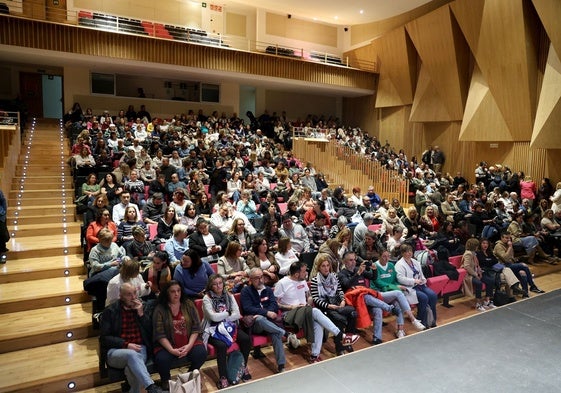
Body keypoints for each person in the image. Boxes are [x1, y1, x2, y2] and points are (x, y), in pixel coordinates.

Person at [273, 261, 359, 363]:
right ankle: (342, 336)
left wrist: (309, 301)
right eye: (304, 272)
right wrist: (292, 307)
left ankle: (314, 355)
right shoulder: (282, 283)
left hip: (305, 311)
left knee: (317, 322)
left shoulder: (302, 281)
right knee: (315, 311)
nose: (306, 274)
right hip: (289, 314)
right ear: (296, 274)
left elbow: (308, 296)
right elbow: (275, 304)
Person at [339, 250, 425, 343]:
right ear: (344, 261)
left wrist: (374, 269)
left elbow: (373, 277)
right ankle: (390, 309)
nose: (353, 262)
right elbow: (347, 284)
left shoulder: (358, 269)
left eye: (354, 260)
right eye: (350, 260)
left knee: (377, 309)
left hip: (369, 299)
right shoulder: (341, 274)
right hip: (354, 302)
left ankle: (377, 337)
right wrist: (358, 274)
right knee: (364, 295)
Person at [99, 283, 162, 393]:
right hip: (116, 351)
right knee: (132, 354)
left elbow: (151, 331)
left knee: (131, 370)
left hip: (139, 348)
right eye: (129, 294)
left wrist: (141, 314)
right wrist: (126, 345)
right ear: (121, 296)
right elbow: (104, 338)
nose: (133, 297)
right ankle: (151, 387)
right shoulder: (110, 311)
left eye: (134, 293)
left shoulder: (144, 307)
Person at [240, 267, 299, 373]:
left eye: (261, 277)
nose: (260, 280)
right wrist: (266, 313)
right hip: (255, 325)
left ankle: (281, 366)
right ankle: (286, 334)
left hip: (270, 323)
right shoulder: (246, 291)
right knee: (260, 319)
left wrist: (268, 313)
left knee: (275, 334)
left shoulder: (267, 290)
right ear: (251, 279)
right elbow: (248, 308)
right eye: (257, 278)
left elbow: (274, 305)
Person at [152, 280, 207, 390]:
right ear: (167, 293)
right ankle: (166, 381)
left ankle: (190, 375)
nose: (176, 294)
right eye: (173, 291)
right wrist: (172, 350)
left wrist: (189, 345)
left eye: (178, 291)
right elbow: (160, 334)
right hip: (168, 345)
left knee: (201, 353)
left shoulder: (188, 305)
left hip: (188, 342)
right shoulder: (160, 309)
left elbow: (196, 328)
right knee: (162, 359)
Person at [201, 274, 252, 389]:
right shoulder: (207, 298)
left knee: (245, 339)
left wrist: (223, 317)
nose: (218, 286)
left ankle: (242, 367)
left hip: (229, 327)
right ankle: (223, 377)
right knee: (222, 346)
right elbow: (213, 317)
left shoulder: (229, 295)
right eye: (215, 284)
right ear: (210, 286)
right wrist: (228, 314)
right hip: (213, 330)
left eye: (220, 283)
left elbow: (237, 314)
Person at [309, 255, 358, 355]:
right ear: (319, 267)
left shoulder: (334, 277)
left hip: (336, 304)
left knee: (353, 314)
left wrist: (343, 300)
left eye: (328, 265)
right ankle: (339, 347)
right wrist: (329, 306)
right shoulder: (315, 281)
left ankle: (347, 340)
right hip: (324, 307)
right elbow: (316, 300)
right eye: (323, 266)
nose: (326, 268)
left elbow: (339, 290)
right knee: (338, 320)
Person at [395, 244, 438, 328]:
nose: (409, 253)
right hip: (409, 288)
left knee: (433, 295)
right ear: (402, 253)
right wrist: (414, 281)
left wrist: (423, 280)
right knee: (424, 297)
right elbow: (400, 279)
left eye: (410, 251)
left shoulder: (415, 262)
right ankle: (422, 320)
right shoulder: (399, 264)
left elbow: (421, 274)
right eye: (407, 252)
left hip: (420, 285)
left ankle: (432, 320)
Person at [493, 232, 545, 297]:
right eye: (506, 238)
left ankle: (525, 293)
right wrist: (510, 247)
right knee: (524, 266)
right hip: (503, 266)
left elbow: (511, 257)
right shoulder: (498, 246)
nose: (508, 240)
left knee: (522, 273)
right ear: (501, 238)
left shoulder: (507, 244)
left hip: (510, 264)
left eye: (509, 238)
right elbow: (505, 258)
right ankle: (532, 286)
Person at [461, 238, 496, 311]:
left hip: (476, 273)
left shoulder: (473, 253)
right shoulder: (468, 253)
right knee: (479, 283)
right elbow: (466, 266)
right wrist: (476, 275)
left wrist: (479, 272)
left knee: (490, 281)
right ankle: (478, 303)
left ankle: (487, 301)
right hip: (468, 275)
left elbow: (477, 265)